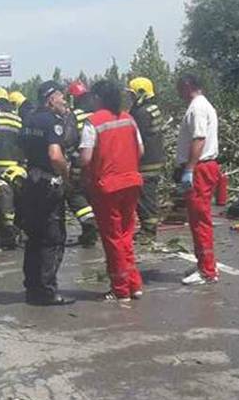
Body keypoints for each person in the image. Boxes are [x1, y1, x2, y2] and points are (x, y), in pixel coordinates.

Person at [80, 80, 145, 301]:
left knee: (113, 238)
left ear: (98, 98)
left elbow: (86, 158)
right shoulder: (129, 118)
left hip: (107, 186)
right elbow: (141, 149)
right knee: (126, 234)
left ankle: (120, 289)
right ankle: (134, 284)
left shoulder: (93, 122)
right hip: (132, 182)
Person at [19, 81, 74, 306]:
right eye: (61, 97)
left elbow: (20, 148)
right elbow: (55, 155)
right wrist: (67, 173)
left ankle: (32, 288)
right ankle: (47, 291)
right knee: (52, 238)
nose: (64, 102)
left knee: (34, 237)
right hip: (48, 184)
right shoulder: (52, 121)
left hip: (31, 181)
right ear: (51, 99)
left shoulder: (28, 120)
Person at [175, 73, 222, 285]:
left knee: (200, 220)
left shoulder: (197, 108)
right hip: (202, 167)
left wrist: (190, 168)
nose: (177, 92)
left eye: (179, 88)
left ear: (187, 86)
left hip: (201, 168)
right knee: (196, 219)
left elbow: (199, 139)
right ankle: (204, 262)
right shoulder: (201, 106)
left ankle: (207, 271)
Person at [127, 77, 166, 238]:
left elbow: (135, 137)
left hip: (146, 163)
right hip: (155, 159)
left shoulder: (142, 113)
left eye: (132, 94)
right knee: (149, 195)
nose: (130, 98)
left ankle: (148, 231)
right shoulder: (153, 108)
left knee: (145, 197)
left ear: (140, 93)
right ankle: (148, 228)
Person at [63, 81, 99, 247]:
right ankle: (90, 233)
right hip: (99, 164)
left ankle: (88, 222)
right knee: (93, 197)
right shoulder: (99, 113)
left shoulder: (75, 115)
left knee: (74, 195)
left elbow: (68, 140)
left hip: (80, 162)